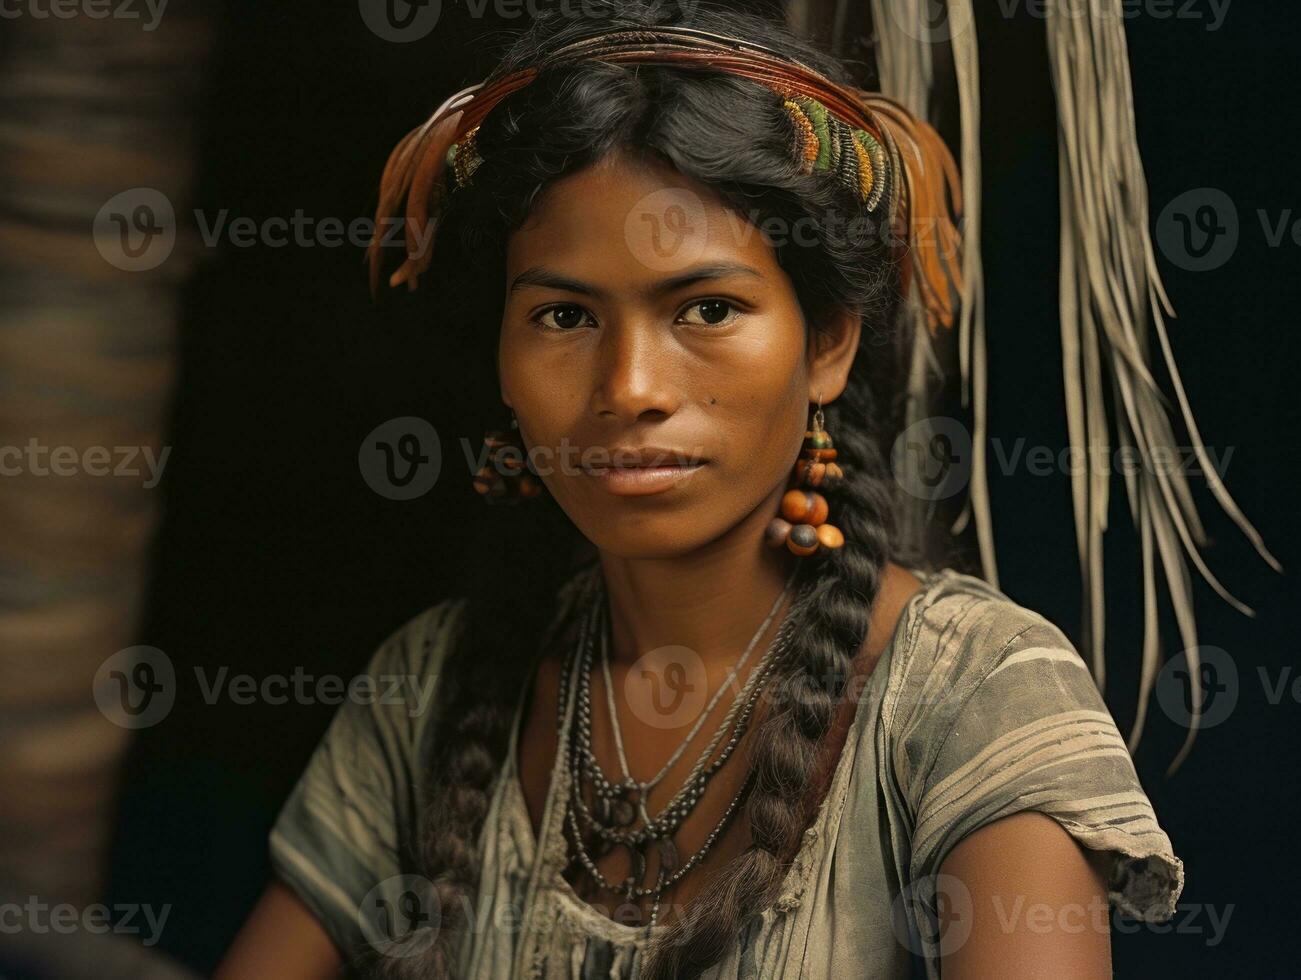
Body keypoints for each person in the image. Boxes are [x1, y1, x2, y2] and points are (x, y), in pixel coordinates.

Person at [216, 4, 1182, 977]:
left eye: (707, 308)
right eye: (562, 314)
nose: (629, 388)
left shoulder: (974, 696)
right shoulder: (428, 687)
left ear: (828, 342)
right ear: (499, 363)